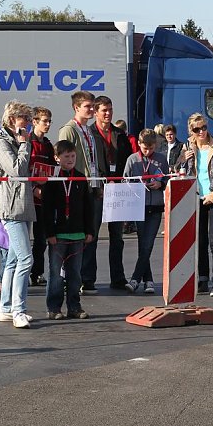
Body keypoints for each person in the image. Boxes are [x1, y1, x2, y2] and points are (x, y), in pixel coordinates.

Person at [0, 100, 36, 328]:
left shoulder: (14, 140)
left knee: (14, 260)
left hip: (22, 205)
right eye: (24, 119)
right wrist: (24, 144)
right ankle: (18, 310)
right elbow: (17, 170)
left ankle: (6, 308)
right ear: (11, 120)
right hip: (11, 206)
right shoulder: (0, 143)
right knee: (26, 259)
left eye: (28, 119)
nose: (27, 123)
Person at [174, 113, 213, 296]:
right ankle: (203, 279)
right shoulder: (187, 146)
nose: (202, 132)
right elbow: (175, 170)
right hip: (196, 197)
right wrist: (182, 159)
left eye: (204, 127)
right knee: (201, 241)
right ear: (191, 131)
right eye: (197, 129)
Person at [57, 91, 103, 295]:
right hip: (77, 188)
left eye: (93, 106)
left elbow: (92, 160)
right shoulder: (69, 130)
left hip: (92, 186)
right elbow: (64, 161)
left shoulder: (88, 130)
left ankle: (87, 277)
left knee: (91, 233)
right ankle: (71, 278)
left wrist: (98, 184)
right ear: (76, 108)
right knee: (76, 234)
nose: (92, 110)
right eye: (88, 106)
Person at [42, 140, 94, 320]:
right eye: (66, 156)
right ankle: (54, 308)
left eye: (73, 156)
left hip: (78, 234)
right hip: (58, 235)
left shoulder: (80, 177)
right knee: (55, 274)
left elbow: (89, 207)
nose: (71, 159)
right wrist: (49, 233)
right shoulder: (52, 180)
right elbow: (46, 209)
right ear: (57, 158)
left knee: (75, 274)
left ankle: (74, 306)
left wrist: (90, 231)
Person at [89, 96, 132, 290]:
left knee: (117, 237)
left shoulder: (120, 134)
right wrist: (96, 186)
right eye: (104, 110)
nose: (108, 114)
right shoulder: (89, 134)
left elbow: (128, 160)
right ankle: (88, 279)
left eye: (110, 110)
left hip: (118, 190)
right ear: (96, 112)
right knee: (92, 236)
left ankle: (118, 277)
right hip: (97, 191)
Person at [123, 128, 168, 294]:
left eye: (151, 148)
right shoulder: (132, 159)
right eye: (144, 148)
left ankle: (135, 279)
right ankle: (148, 280)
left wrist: (160, 184)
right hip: (137, 206)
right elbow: (125, 180)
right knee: (144, 244)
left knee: (148, 243)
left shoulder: (161, 159)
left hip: (155, 206)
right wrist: (135, 185)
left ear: (155, 145)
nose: (148, 151)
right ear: (139, 144)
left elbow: (167, 179)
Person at [28, 106, 56, 287]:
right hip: (26, 196)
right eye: (44, 121)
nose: (47, 125)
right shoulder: (27, 143)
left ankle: (36, 272)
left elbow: (52, 168)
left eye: (49, 121)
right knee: (20, 240)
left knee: (41, 238)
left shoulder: (47, 144)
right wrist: (32, 188)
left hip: (42, 198)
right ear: (34, 122)